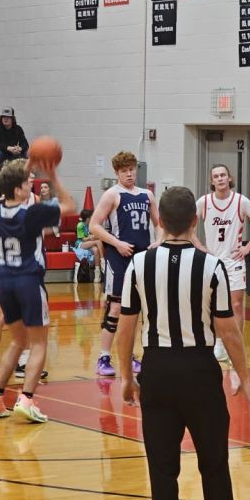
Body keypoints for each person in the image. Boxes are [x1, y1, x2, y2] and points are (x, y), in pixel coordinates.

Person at [117, 185, 250, 500]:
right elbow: (229, 332)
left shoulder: (138, 265)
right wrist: (245, 377)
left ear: (160, 221)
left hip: (157, 371)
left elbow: (125, 330)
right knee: (214, 466)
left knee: (162, 471)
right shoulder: (212, 266)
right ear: (195, 221)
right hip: (199, 371)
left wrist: (127, 377)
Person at [0, 159, 74, 423]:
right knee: (39, 343)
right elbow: (69, 205)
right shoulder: (31, 213)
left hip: (5, 280)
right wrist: (53, 177)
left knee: (18, 341)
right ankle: (27, 399)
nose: (31, 184)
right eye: (26, 182)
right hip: (28, 280)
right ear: (17, 189)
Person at [195, 164, 250, 392]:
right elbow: (188, 226)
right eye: (216, 176)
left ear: (229, 178)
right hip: (211, 261)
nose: (220, 179)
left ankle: (235, 346)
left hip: (234, 260)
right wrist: (199, 246)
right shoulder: (203, 202)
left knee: (236, 305)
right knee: (212, 305)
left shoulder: (241, 201)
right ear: (212, 181)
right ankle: (218, 342)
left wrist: (248, 247)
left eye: (223, 175)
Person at [90, 151, 159, 377]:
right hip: (118, 257)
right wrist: (117, 243)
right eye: (124, 171)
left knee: (137, 310)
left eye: (131, 169)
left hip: (141, 258)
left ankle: (128, 355)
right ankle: (103, 357)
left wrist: (158, 242)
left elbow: (159, 223)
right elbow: (94, 226)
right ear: (117, 173)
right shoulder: (112, 194)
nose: (129, 174)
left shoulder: (147, 195)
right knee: (116, 307)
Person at [0, 107, 29, 172]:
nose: (5, 119)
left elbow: (25, 143)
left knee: (27, 152)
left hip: (13, 152)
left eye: (8, 117)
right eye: (3, 117)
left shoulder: (18, 129)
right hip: (1, 152)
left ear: (12, 119)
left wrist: (20, 148)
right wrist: (8, 148)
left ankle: (23, 174)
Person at [73, 208, 103, 282]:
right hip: (81, 244)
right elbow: (83, 239)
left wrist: (93, 236)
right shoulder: (80, 225)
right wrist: (91, 237)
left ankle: (97, 275)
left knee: (95, 250)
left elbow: (93, 235)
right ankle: (102, 261)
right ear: (88, 218)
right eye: (91, 217)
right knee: (98, 242)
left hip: (88, 243)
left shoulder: (90, 225)